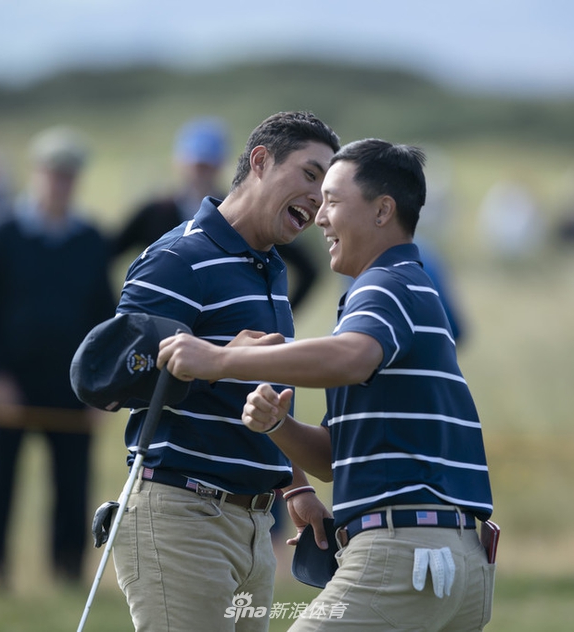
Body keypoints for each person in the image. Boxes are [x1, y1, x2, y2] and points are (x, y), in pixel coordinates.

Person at [159, 139, 496, 631]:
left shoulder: (386, 284)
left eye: (334, 200)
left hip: (405, 553)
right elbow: (334, 460)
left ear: (383, 211)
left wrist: (222, 359)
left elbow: (352, 359)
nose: (319, 216)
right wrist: (278, 425)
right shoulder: (401, 287)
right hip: (456, 563)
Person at [109, 110, 340, 632]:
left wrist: (295, 486)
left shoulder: (270, 267)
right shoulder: (179, 257)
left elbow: (261, 400)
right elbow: (113, 378)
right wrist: (215, 360)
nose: (318, 196)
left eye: (327, 186)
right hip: (181, 518)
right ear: (260, 162)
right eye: (309, 174)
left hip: (257, 525)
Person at [0, 125, 116, 591]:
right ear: (38, 174)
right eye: (53, 173)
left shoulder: (91, 239)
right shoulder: (6, 231)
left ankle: (67, 576)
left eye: (69, 174)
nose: (60, 182)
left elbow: (107, 320)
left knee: (71, 489)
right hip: (11, 384)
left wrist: (100, 391)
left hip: (72, 387)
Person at [110, 116, 321, 312]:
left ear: (221, 165)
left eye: (208, 166)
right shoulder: (154, 212)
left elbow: (308, 268)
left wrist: (277, 315)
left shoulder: (240, 217)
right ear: (180, 162)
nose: (200, 173)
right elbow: (104, 256)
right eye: (196, 165)